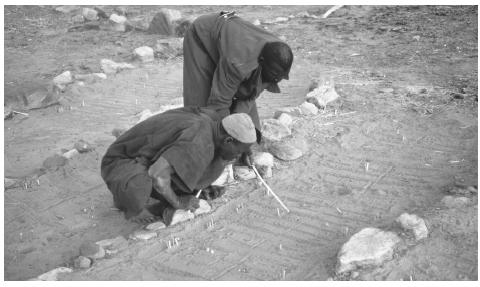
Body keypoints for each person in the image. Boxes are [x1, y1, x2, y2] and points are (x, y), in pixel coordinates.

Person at [100, 107, 256, 225]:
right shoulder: (197, 142)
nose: (237, 156)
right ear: (228, 140)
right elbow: (157, 175)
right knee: (140, 188)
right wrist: (179, 203)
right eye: (238, 151)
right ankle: (130, 205)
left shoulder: (216, 122)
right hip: (121, 161)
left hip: (149, 156)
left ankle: (172, 194)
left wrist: (245, 151)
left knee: (219, 158)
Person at [183, 11, 294, 163]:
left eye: (279, 77)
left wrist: (244, 141)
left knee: (245, 91)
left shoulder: (277, 58)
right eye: (273, 76)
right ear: (260, 61)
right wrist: (231, 140)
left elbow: (249, 97)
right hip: (202, 37)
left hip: (233, 42)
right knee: (201, 103)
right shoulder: (237, 63)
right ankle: (199, 152)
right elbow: (219, 103)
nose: (275, 80)